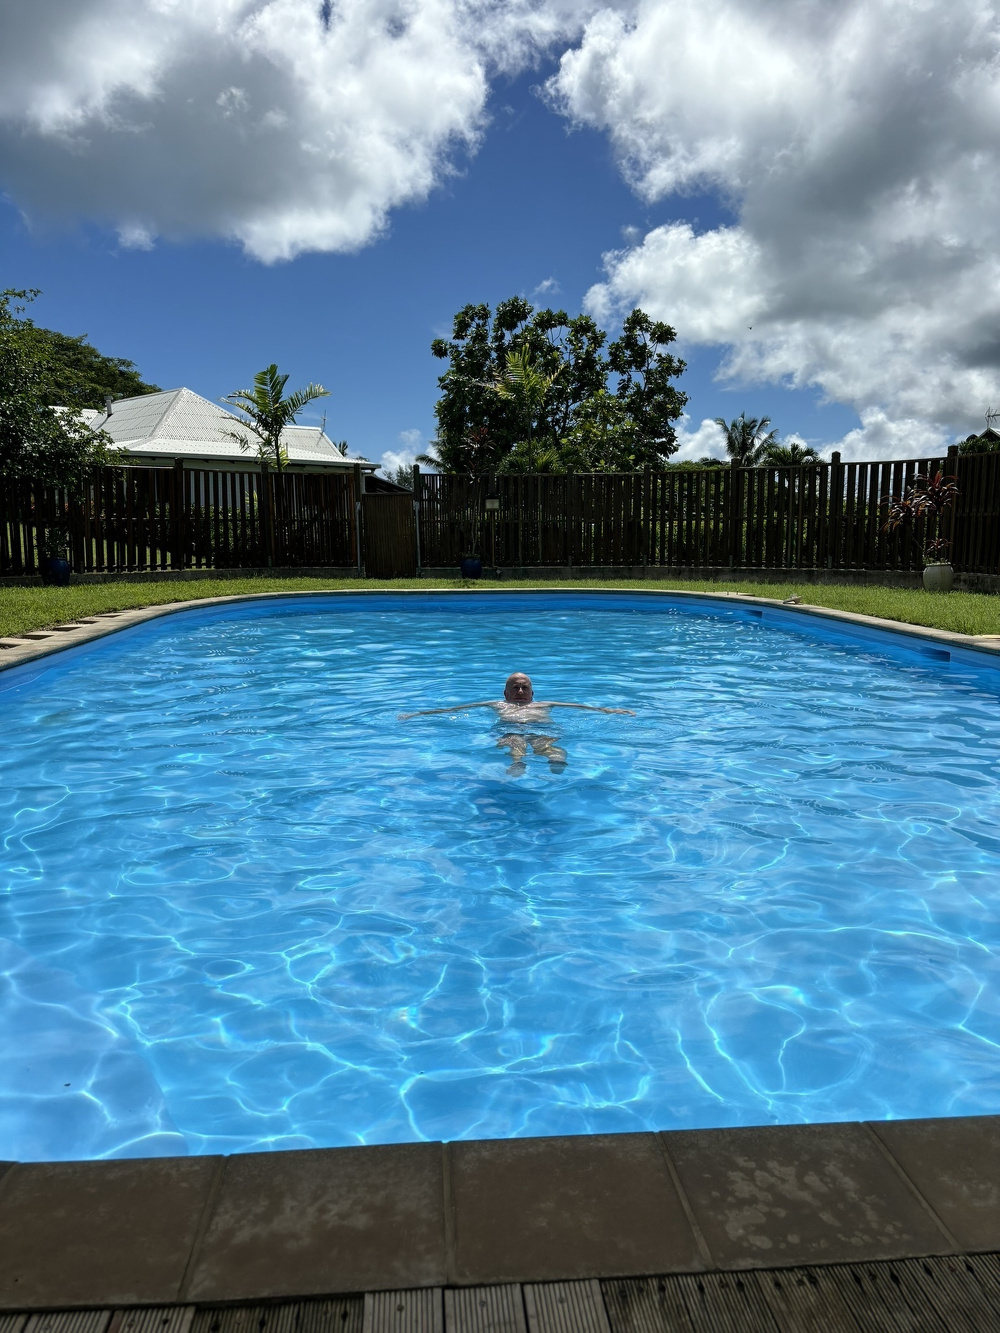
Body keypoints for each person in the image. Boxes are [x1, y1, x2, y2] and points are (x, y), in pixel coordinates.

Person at [399, 673, 634, 774]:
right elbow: (455, 709)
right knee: (515, 744)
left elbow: (579, 707)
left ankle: (556, 759)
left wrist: (609, 710)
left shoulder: (544, 705)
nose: (520, 691)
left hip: (542, 728)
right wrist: (417, 714)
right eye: (515, 687)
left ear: (533, 693)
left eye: (525, 688)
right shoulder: (497, 705)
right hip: (508, 728)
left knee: (547, 746)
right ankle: (517, 764)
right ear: (505, 693)